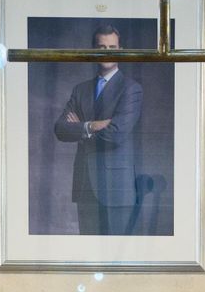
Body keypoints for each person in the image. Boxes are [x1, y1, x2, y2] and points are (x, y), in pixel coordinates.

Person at [52, 23, 142, 235]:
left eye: (112, 48)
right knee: (88, 254)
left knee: (115, 256)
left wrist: (81, 131)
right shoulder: (80, 89)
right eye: (101, 47)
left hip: (116, 187)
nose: (106, 52)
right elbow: (60, 129)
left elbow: (116, 135)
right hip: (85, 185)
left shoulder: (131, 89)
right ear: (93, 50)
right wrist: (91, 125)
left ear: (120, 51)